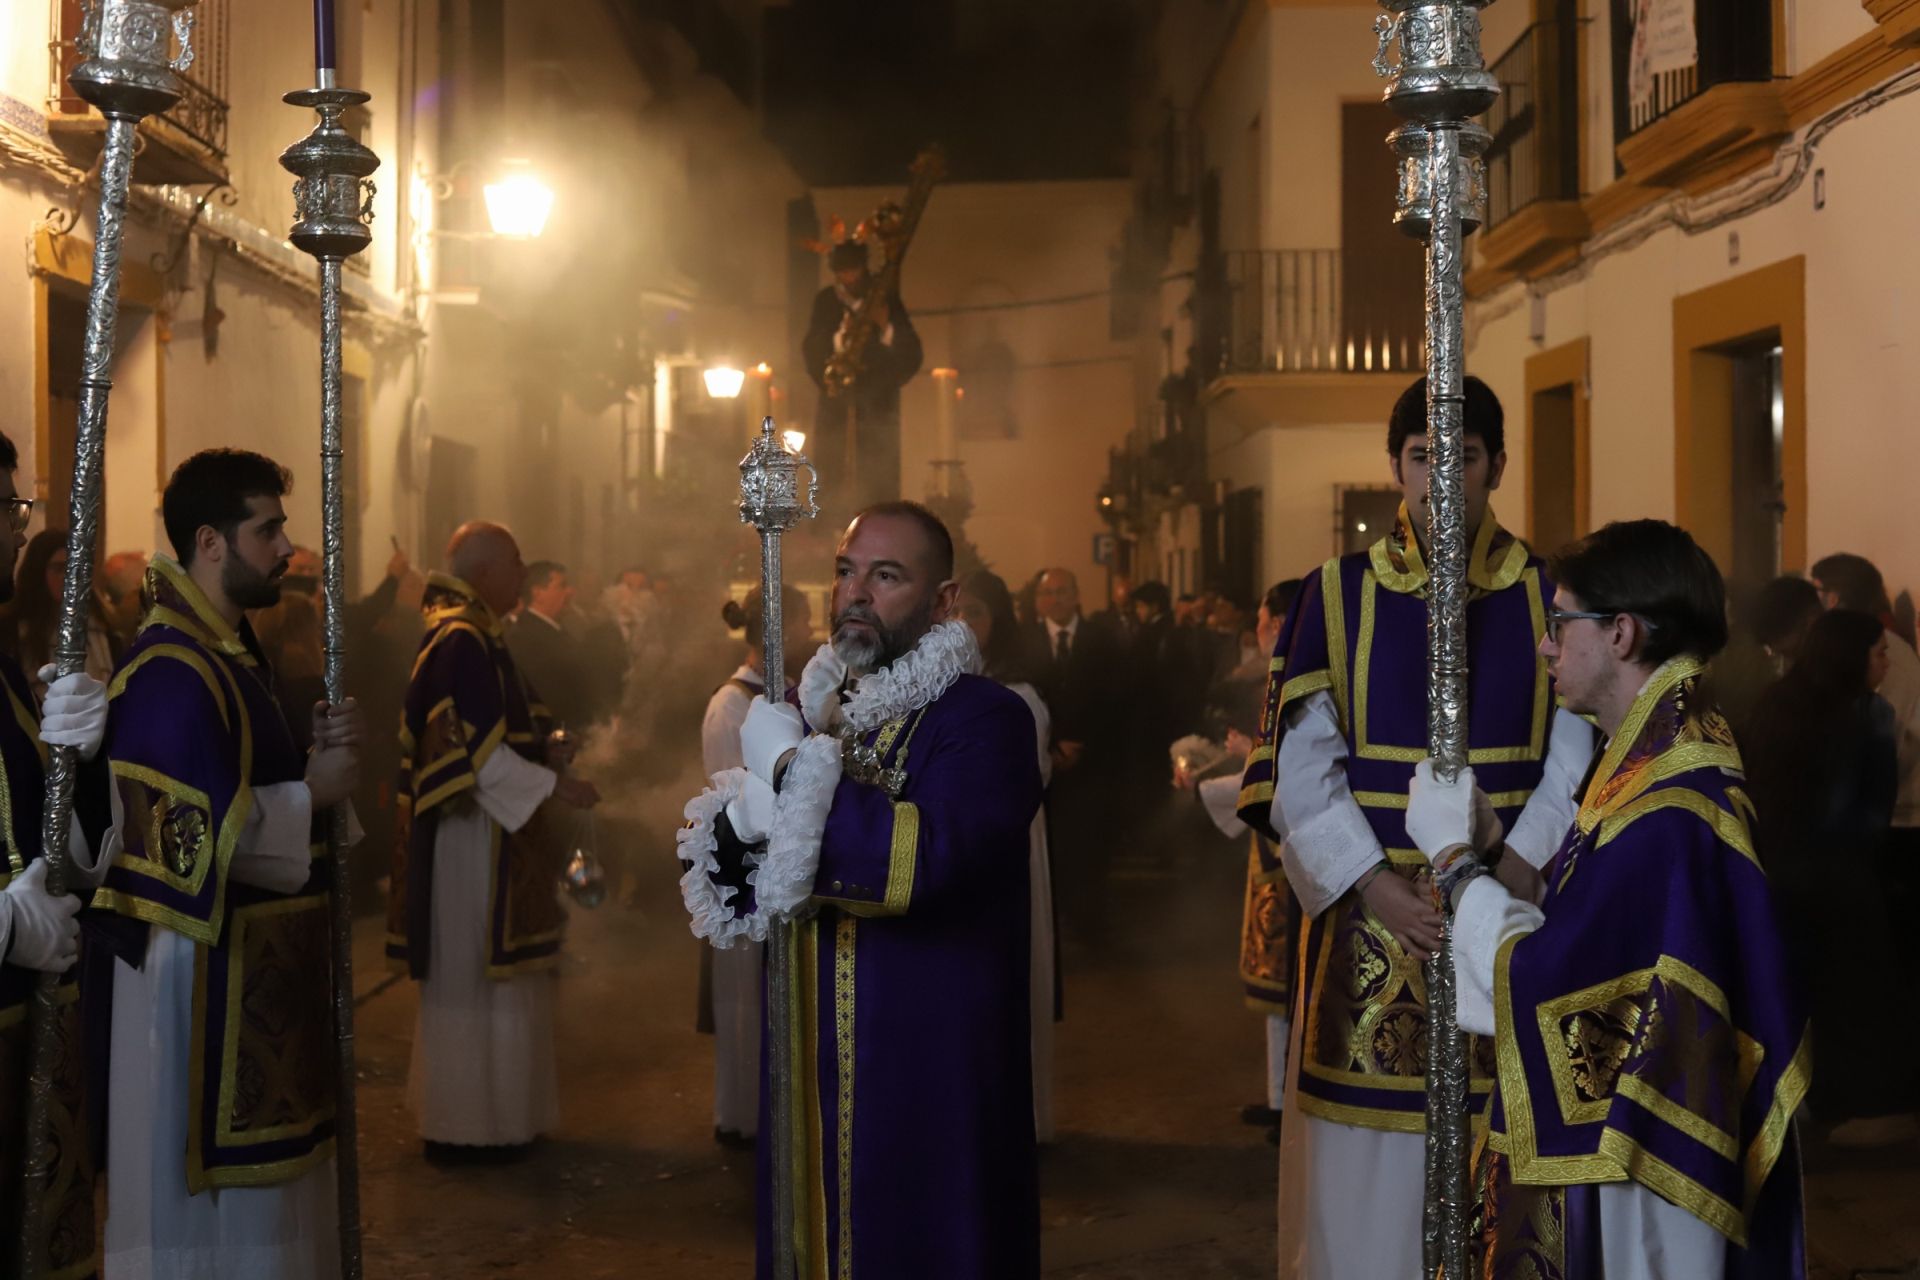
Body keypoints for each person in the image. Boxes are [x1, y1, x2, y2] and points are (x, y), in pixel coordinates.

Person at [1236, 375, 1596, 1280]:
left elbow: (1574, 750)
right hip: (1374, 917)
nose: (1442, 478)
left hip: (1513, 902)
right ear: (1394, 466)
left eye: (1463, 458)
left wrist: (1518, 863)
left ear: (1498, 466)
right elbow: (1302, 769)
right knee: (1364, 1174)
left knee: (1506, 1140)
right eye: (1422, 457)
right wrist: (1371, 883)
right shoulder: (1336, 592)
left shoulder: (1548, 593)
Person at [1406, 518, 1807, 1277]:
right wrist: (1494, 848)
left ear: (1621, 633)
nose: (1546, 645)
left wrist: (1454, 862)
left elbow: (1549, 986)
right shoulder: (1659, 762)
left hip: (1641, 1187)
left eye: (1560, 623)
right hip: (1635, 1147)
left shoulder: (1670, 813)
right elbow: (1597, 924)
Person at [680, 501, 1043, 1278]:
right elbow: (751, 894)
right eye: (847, 571)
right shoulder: (826, 719)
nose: (855, 594)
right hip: (813, 1059)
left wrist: (787, 773)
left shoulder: (987, 721)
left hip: (928, 1071)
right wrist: (745, 819)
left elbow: (919, 861)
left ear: (944, 600)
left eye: (886, 576)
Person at [99, 449, 365, 1279]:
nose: (289, 548)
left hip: (254, 971)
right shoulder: (172, 673)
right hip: (194, 992)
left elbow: (259, 787)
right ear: (210, 543)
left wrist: (315, 761)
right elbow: (185, 843)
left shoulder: (231, 658)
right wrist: (313, 795)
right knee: (217, 1241)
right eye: (270, 529)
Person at [388, 523, 601, 1158]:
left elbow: (513, 725)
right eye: (514, 562)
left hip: (494, 832)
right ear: (484, 573)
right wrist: (553, 786)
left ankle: (503, 1120)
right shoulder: (460, 640)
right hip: (473, 838)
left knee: (496, 984)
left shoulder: (476, 634)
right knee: (475, 983)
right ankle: (470, 1126)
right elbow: (470, 755)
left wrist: (551, 751)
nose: (523, 573)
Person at [0, 430, 116, 1277]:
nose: (15, 533)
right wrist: (3, 926)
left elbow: (52, 842)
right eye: (8, 509)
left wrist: (84, 756)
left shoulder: (6, 665)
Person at [1745, 608, 1904, 1129]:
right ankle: (1852, 1108)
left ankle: (1790, 1101)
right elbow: (1869, 812)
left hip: (1776, 873)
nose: (1886, 661)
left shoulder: (1775, 703)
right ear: (1851, 657)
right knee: (1849, 996)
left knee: (1790, 990)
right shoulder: (1869, 715)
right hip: (1841, 880)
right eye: (1879, 652)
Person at [698, 583, 813, 1151]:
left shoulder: (782, 694)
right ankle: (742, 1114)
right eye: (804, 623)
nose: (813, 634)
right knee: (746, 995)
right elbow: (736, 796)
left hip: (782, 866)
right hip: (746, 869)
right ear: (777, 630)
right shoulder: (732, 704)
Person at [955, 568, 1058, 1143]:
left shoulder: (1018, 696)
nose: (964, 626)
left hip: (1006, 842)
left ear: (999, 624)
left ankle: (1019, 1118)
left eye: (977, 613)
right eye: (956, 612)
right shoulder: (934, 687)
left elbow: (1029, 779)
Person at [1811, 553, 1920, 939]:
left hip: (1892, 821)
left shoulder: (1877, 652)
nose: (1815, 600)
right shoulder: (1887, 647)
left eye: (1818, 591)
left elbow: (1893, 742)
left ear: (1835, 598)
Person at [1025, 567, 1123, 945]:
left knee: (1090, 845)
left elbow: (1116, 700)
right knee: (1051, 845)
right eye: (1048, 592)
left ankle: (1090, 922)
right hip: (1043, 761)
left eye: (1063, 591)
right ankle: (1054, 917)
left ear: (1077, 595)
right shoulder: (1026, 642)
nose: (1056, 599)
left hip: (1092, 762)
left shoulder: (1103, 641)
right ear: (1038, 600)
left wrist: (1083, 744)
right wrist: (1051, 747)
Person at [801, 240, 924, 513]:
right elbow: (811, 350)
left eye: (854, 272)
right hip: (837, 408)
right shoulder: (826, 302)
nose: (849, 279)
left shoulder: (884, 299)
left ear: (863, 269)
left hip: (877, 406)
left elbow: (911, 352)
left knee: (877, 480)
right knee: (834, 472)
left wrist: (885, 327)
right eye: (843, 273)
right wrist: (838, 339)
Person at [10, 527, 118, 700]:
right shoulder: (14, 631)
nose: (69, 578)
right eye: (59, 569)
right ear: (39, 572)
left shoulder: (103, 628)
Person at [506, 561, 594, 731]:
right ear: (538, 593)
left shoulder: (559, 631)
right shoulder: (524, 638)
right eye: (562, 586)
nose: (571, 591)